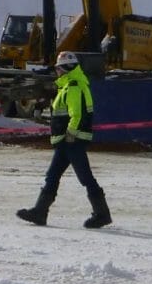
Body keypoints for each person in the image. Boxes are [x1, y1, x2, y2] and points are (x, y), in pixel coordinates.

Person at [16, 51, 111, 229]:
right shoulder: (69, 86)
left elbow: (76, 114)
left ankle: (102, 214)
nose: (57, 72)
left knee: (85, 177)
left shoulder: (73, 86)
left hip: (71, 140)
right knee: (52, 176)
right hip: (65, 140)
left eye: (59, 68)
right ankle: (39, 212)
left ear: (66, 69)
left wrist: (71, 133)